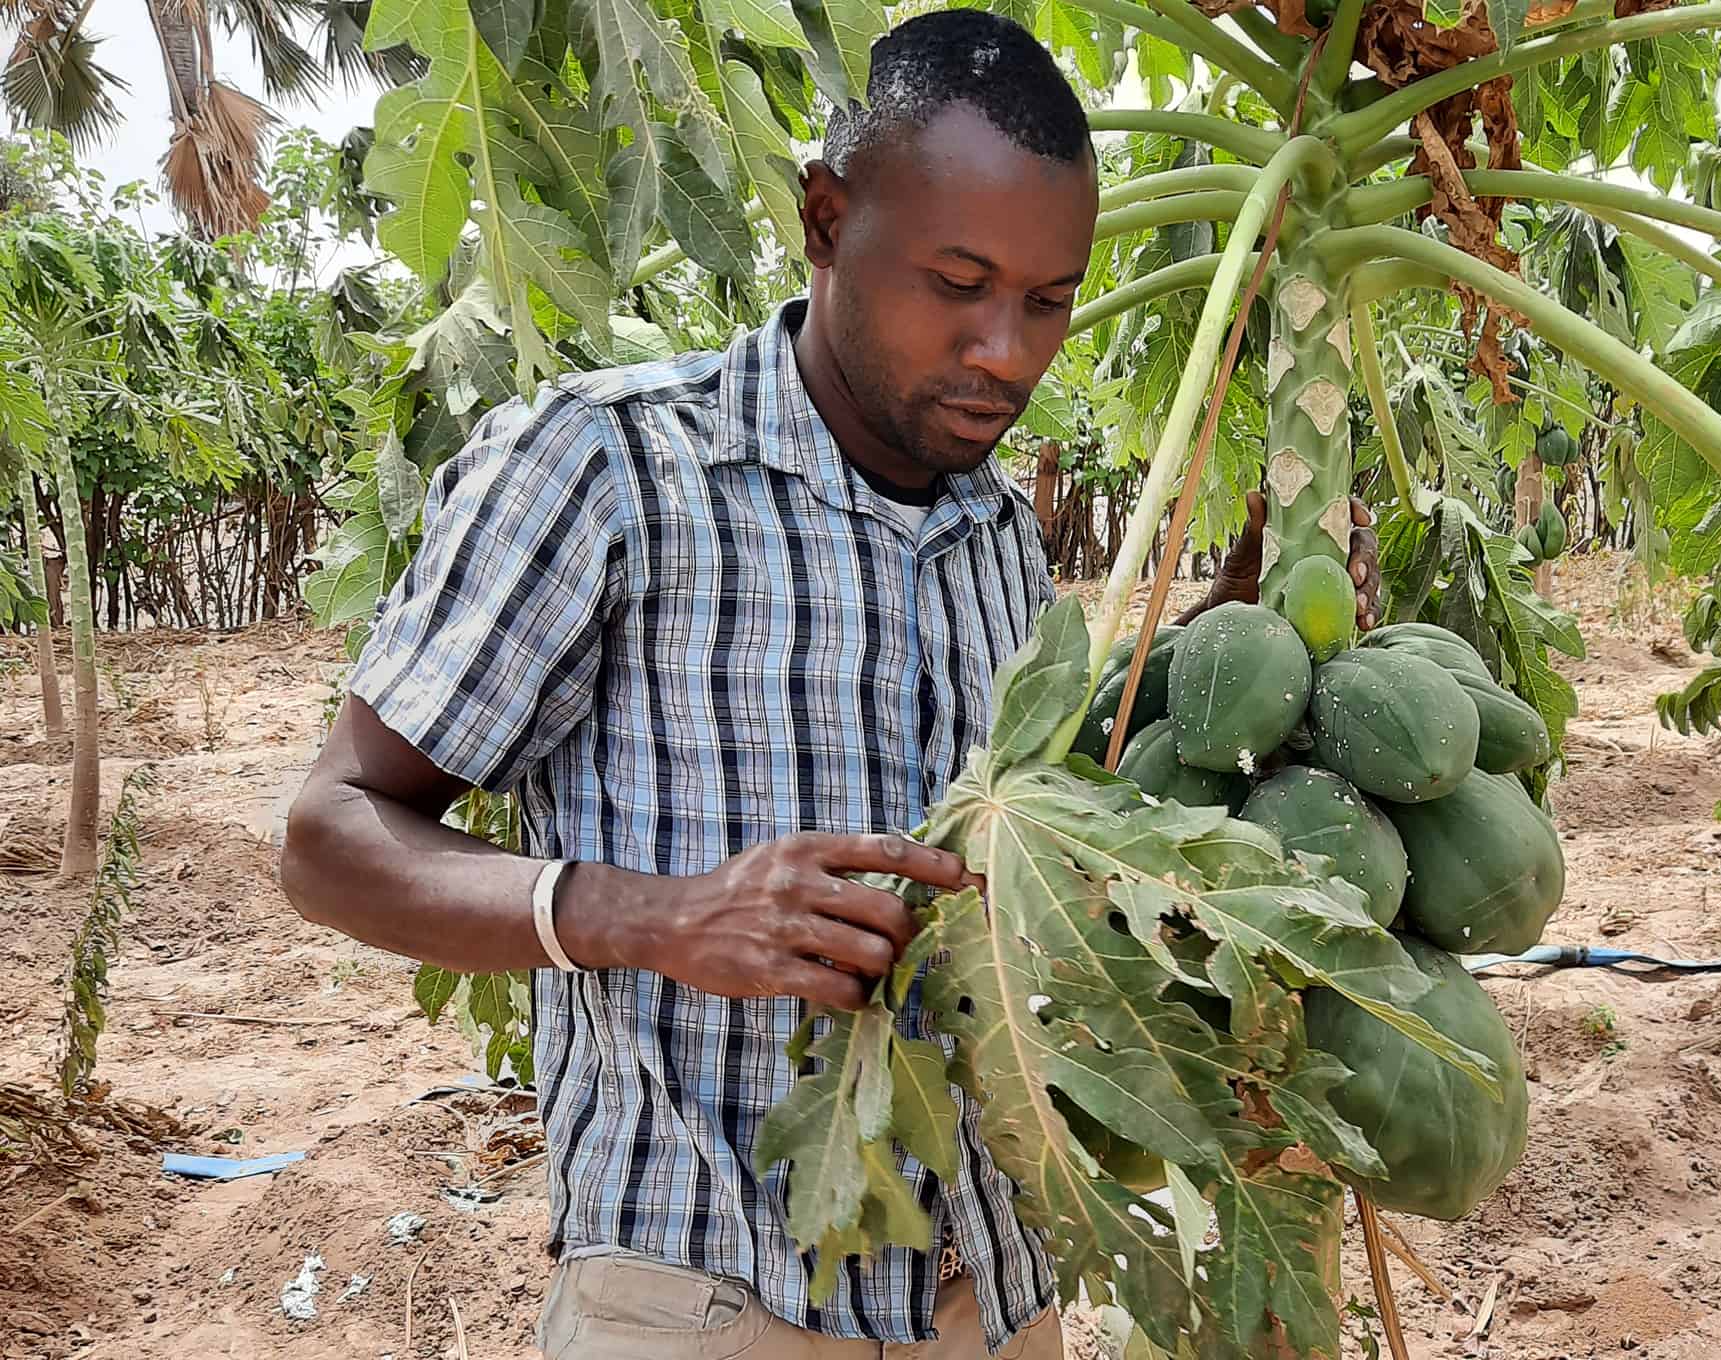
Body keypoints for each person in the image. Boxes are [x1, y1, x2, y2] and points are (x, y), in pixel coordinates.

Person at [278, 10, 1379, 1359]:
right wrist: (652, 917)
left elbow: (1028, 844)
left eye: (1047, 300)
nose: (1007, 353)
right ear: (825, 216)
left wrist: (1224, 669)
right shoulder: (610, 474)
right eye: (957, 281)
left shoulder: (994, 541)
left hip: (993, 1291)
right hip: (710, 1299)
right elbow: (328, 838)